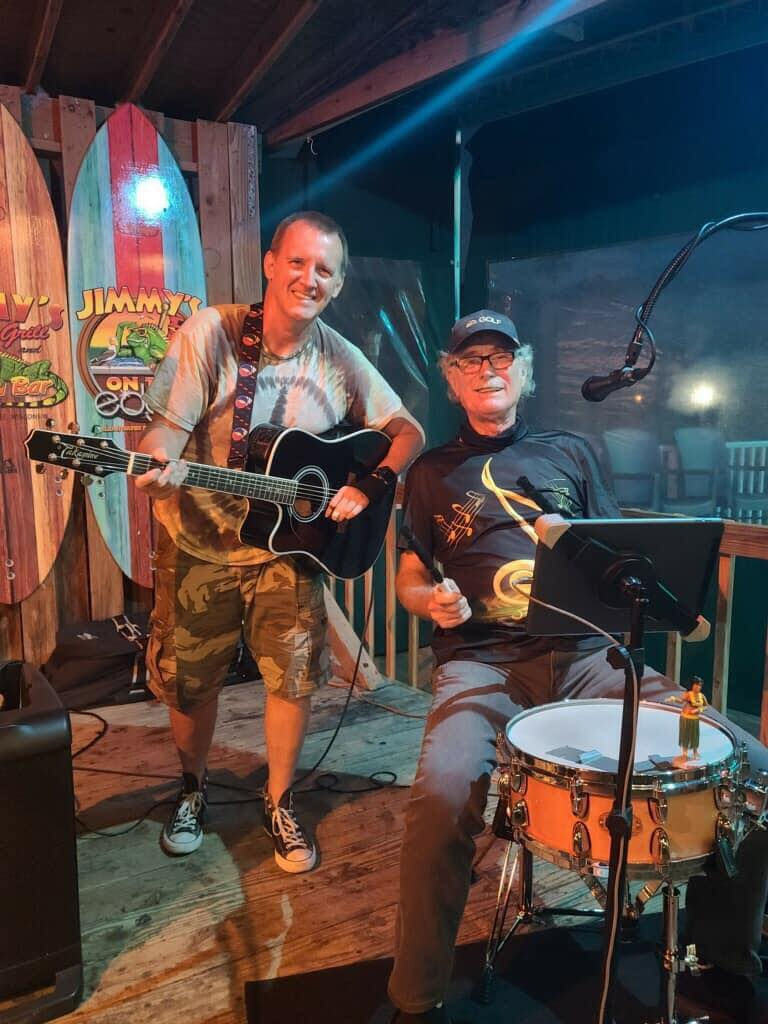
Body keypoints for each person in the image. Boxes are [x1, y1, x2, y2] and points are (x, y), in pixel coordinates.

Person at [387, 309, 768, 1023]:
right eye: (471, 361)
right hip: (481, 664)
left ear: (524, 370)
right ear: (452, 379)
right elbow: (410, 573)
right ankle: (416, 998)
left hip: (591, 656)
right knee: (441, 795)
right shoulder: (431, 472)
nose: (488, 370)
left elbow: (618, 546)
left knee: (750, 767)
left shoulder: (572, 450)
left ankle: (724, 958)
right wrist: (425, 599)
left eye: (501, 357)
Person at [136, 211, 424, 873]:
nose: (308, 278)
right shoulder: (211, 332)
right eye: (297, 262)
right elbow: (163, 434)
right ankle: (192, 789)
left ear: (339, 282)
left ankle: (278, 801)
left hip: (290, 549)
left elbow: (406, 431)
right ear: (271, 264)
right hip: (199, 545)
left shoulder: (340, 357)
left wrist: (372, 483)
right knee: (189, 685)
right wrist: (154, 466)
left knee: (292, 683)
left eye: (324, 269)